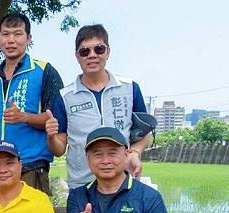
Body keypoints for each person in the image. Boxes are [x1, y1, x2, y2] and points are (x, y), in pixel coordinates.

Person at [46, 24, 152, 189]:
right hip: (81, 185)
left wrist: (135, 152)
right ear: (77, 56)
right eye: (85, 51)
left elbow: (144, 134)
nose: (92, 55)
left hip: (122, 181)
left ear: (108, 52)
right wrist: (51, 137)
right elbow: (59, 149)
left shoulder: (129, 88)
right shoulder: (64, 97)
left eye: (99, 49)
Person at [0, 13, 64, 195]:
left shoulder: (44, 71)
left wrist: (24, 117)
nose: (11, 40)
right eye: (5, 34)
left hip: (30, 166)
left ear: (28, 38)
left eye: (17, 34)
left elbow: (55, 121)